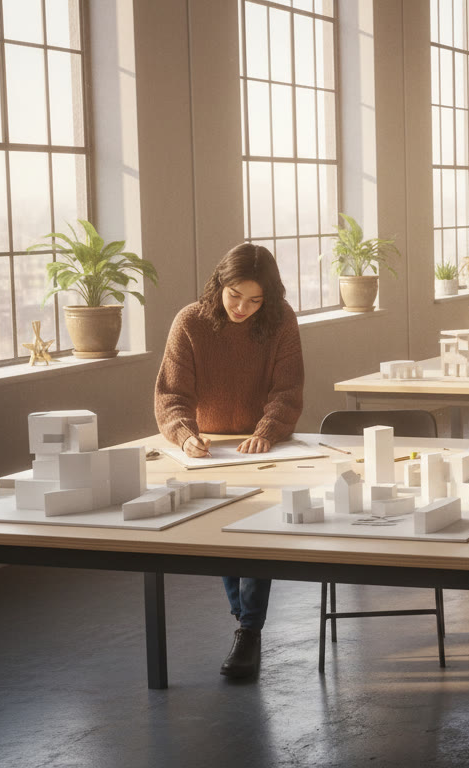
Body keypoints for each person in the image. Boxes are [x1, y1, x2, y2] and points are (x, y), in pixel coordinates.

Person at [155, 243, 304, 679]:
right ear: (219, 283)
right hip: (210, 449)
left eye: (255, 301)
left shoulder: (281, 322)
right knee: (225, 536)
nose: (242, 307)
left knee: (257, 534)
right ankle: (246, 625)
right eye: (235, 295)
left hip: (266, 447)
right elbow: (171, 394)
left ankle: (248, 630)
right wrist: (184, 435)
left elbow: (288, 390)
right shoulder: (190, 322)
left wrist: (266, 431)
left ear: (269, 299)